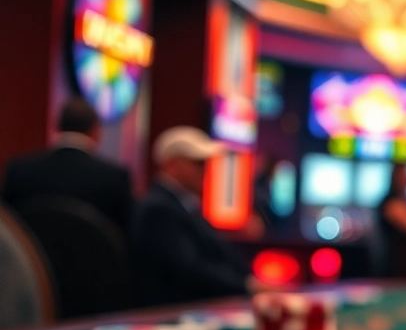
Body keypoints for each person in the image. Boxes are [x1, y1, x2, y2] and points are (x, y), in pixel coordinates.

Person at [129, 127, 250, 306]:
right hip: (171, 317)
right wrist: (246, 285)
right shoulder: (159, 208)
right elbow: (190, 269)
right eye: (198, 163)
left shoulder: (185, 205)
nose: (206, 171)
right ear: (172, 164)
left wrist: (248, 280)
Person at [1, 97, 134, 233]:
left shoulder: (19, 172)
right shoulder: (115, 179)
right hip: (89, 253)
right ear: (96, 131)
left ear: (57, 126)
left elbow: (5, 228)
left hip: (31, 253)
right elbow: (128, 237)